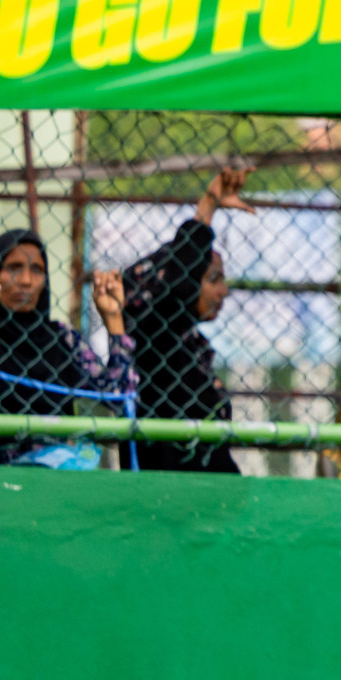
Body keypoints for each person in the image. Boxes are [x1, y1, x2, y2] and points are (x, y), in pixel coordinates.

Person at [0, 229, 135, 467]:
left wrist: (113, 318)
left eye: (37, 270)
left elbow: (119, 398)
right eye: (14, 267)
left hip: (48, 485)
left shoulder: (63, 339)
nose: (26, 280)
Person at [120, 168, 251, 473]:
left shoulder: (192, 347)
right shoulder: (154, 340)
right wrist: (207, 207)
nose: (224, 291)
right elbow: (176, 285)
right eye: (213, 279)